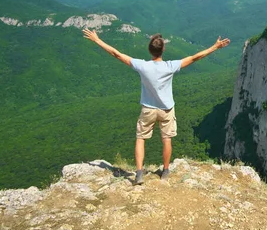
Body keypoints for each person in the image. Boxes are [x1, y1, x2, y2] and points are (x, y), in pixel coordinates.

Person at [82, 28, 230, 185]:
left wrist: (97, 40)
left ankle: (139, 174)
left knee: (140, 139)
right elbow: (195, 57)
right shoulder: (170, 66)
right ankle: (165, 171)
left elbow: (116, 54)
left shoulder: (142, 66)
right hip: (166, 110)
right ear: (163, 50)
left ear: (149, 50)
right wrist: (215, 47)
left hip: (148, 109)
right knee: (166, 140)